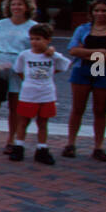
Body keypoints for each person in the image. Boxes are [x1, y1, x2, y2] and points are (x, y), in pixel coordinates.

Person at [62, 0, 106, 161]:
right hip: (82, 70)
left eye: (104, 10)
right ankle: (70, 143)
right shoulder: (83, 29)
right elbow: (73, 50)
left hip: (104, 71)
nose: (100, 13)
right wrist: (100, 52)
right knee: (77, 108)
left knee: (100, 110)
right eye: (97, 10)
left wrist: (87, 52)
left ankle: (98, 146)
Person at [9, 24, 69, 165]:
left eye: (38, 39)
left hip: (46, 94)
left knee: (43, 122)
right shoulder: (25, 55)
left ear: (48, 40)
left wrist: (53, 54)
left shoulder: (52, 56)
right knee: (23, 122)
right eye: (32, 39)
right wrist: (29, 80)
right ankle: (19, 146)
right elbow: (18, 70)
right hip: (28, 94)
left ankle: (42, 148)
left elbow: (63, 65)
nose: (34, 42)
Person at [0, 0, 37, 154]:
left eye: (20, 4)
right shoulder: (0, 24)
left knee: (14, 105)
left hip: (19, 67)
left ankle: (11, 140)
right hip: (0, 67)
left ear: (27, 7)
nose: (16, 7)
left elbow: (36, 48)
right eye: (13, 4)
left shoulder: (33, 27)